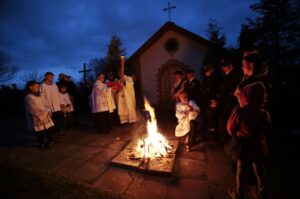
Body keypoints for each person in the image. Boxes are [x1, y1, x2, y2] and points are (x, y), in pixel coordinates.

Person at [227, 82, 270, 199]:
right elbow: (267, 129)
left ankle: (239, 193)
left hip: (244, 147)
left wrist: (237, 134)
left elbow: (230, 128)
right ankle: (262, 194)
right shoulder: (264, 113)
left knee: (241, 170)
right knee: (260, 172)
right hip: (258, 148)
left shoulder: (241, 112)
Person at [218, 56, 243, 144]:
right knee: (224, 118)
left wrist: (219, 101)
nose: (223, 68)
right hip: (227, 100)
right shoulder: (228, 75)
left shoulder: (233, 74)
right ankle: (225, 138)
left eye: (224, 66)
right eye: (222, 66)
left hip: (230, 100)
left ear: (230, 65)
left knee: (224, 119)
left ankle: (225, 139)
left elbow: (226, 89)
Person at [24, 80, 54, 149]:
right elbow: (32, 108)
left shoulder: (40, 95)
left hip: (46, 115)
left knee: (48, 128)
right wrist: (42, 114)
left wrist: (48, 110)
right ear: (30, 87)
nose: (38, 88)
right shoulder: (29, 97)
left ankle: (50, 140)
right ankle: (42, 143)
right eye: (36, 86)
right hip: (37, 117)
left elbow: (46, 104)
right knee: (40, 130)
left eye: (38, 86)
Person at [201, 64, 220, 137]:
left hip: (212, 101)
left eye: (208, 71)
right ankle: (209, 132)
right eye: (205, 71)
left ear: (212, 70)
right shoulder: (207, 79)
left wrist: (215, 99)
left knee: (212, 118)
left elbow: (215, 90)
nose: (206, 73)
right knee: (208, 118)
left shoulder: (215, 79)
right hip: (207, 101)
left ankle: (213, 135)